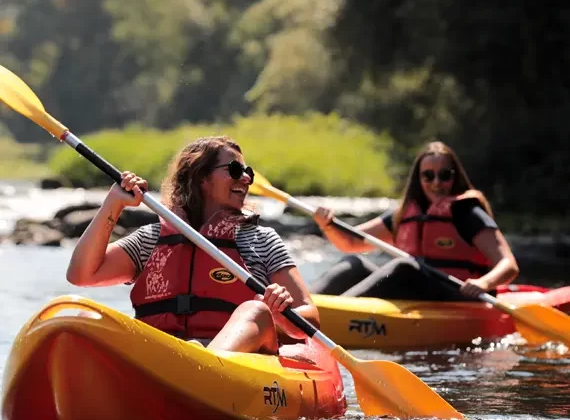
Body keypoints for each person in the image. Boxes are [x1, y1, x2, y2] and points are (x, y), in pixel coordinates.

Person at [67, 135, 318, 354]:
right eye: (234, 169)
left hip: (233, 364)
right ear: (201, 179)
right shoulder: (152, 238)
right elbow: (82, 274)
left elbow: (311, 318)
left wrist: (280, 313)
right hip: (161, 355)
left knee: (256, 311)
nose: (245, 179)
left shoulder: (262, 239)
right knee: (87, 316)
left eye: (247, 172)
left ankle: (206, 364)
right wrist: (114, 203)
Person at [310, 140, 519, 301]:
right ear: (419, 179)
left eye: (444, 175)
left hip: (460, 296)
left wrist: (484, 283)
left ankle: (333, 317)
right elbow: (351, 243)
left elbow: (508, 264)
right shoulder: (405, 214)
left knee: (405, 267)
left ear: (454, 177)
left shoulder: (467, 213)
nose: (437, 182)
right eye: (428, 176)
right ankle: (301, 308)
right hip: (418, 294)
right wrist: (327, 225)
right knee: (353, 265)